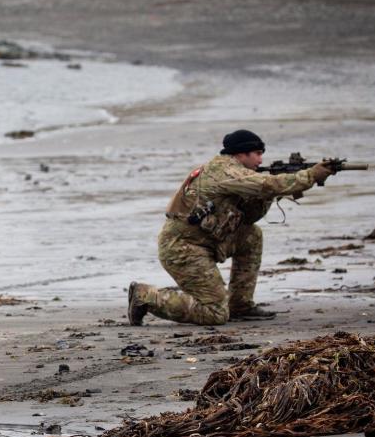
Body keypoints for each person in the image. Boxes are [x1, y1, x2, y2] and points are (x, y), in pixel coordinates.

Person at [127, 129, 334, 326]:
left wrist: (268, 195)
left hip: (206, 242)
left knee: (251, 236)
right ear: (241, 154)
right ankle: (145, 296)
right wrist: (310, 176)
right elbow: (266, 184)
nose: (260, 160)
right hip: (183, 249)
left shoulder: (234, 172)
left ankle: (241, 305)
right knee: (215, 313)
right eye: (257, 154)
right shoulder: (225, 171)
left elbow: (251, 217)